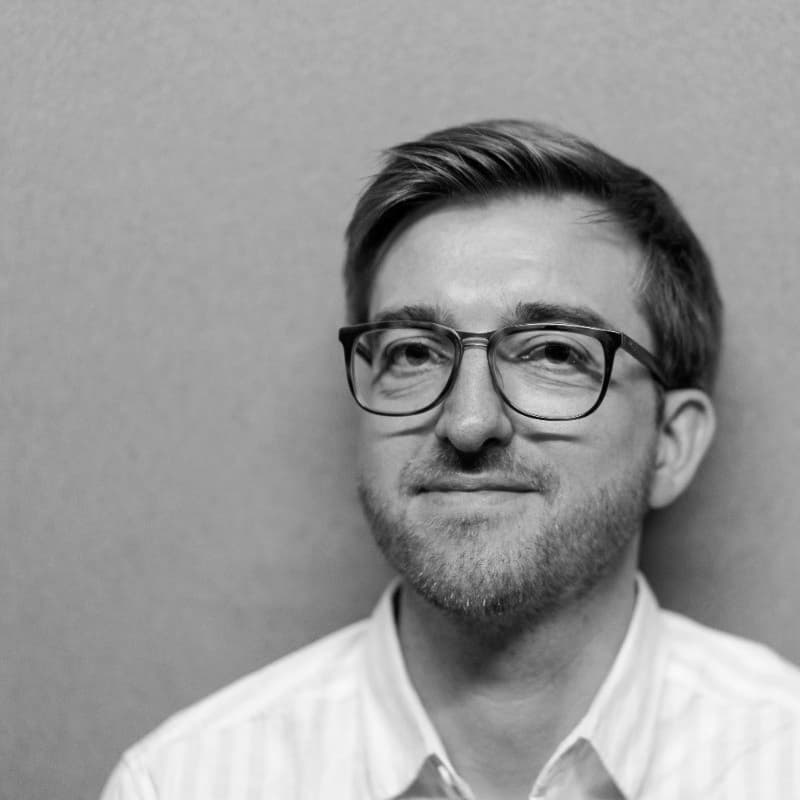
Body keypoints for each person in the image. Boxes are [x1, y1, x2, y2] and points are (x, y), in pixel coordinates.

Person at [101, 120, 800, 799]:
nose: (468, 422)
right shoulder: (180, 783)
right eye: (413, 352)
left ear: (671, 444)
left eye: (554, 353)